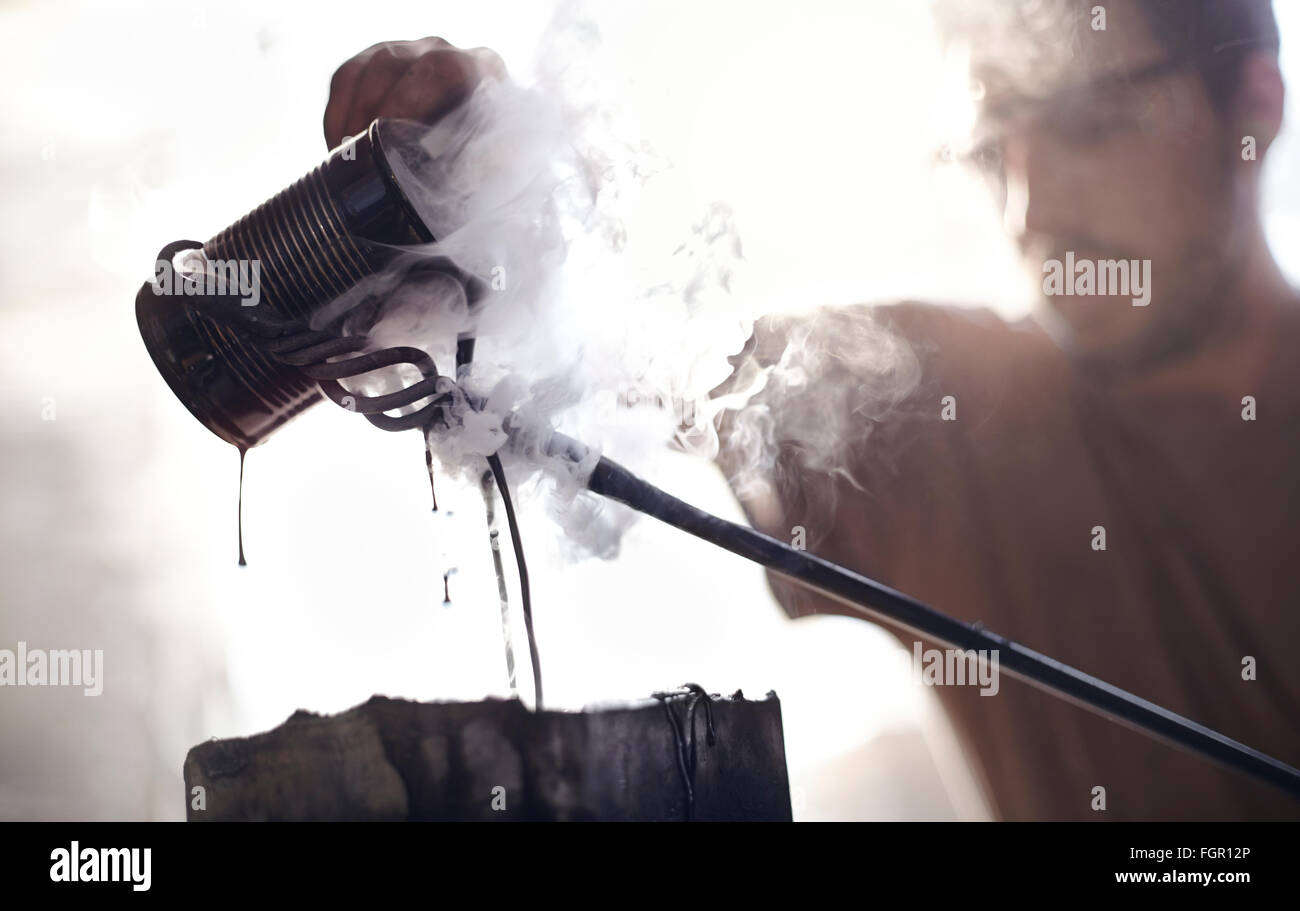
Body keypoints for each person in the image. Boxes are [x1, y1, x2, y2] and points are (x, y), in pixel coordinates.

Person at [324, 0, 1300, 820]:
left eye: (1087, 119)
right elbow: (634, 344)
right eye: (989, 149)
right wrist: (490, 179)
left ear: (1253, 109)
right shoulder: (953, 412)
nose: (1027, 208)